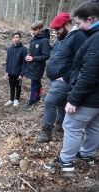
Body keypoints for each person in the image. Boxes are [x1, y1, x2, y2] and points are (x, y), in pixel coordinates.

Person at [45, 0, 99, 172]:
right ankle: (86, 155)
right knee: (94, 126)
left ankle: (66, 162)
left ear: (90, 19)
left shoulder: (94, 40)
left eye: (79, 23)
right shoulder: (92, 38)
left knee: (71, 125)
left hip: (89, 96)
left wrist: (74, 99)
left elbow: (90, 73)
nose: (78, 28)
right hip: (95, 97)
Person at [37, 13, 87, 143]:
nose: (55, 32)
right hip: (55, 78)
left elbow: (82, 60)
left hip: (64, 79)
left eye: (57, 29)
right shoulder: (63, 37)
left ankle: (47, 130)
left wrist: (66, 76)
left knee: (49, 101)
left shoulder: (78, 37)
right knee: (60, 101)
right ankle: (61, 123)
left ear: (67, 25)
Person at [24, 21, 51, 111]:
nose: (33, 32)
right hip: (32, 65)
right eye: (32, 30)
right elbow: (32, 51)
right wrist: (29, 55)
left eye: (35, 30)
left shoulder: (44, 41)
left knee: (34, 84)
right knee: (37, 82)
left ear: (41, 29)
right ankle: (38, 97)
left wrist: (33, 58)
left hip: (38, 67)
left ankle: (32, 101)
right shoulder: (33, 39)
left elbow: (46, 56)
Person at [4, 32, 27, 107]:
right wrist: (7, 70)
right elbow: (7, 60)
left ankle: (17, 99)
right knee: (11, 86)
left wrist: (22, 74)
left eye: (17, 37)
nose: (15, 39)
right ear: (12, 39)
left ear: (20, 38)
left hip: (18, 72)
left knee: (18, 86)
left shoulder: (23, 49)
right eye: (14, 37)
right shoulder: (10, 48)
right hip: (10, 72)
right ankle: (11, 99)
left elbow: (24, 63)